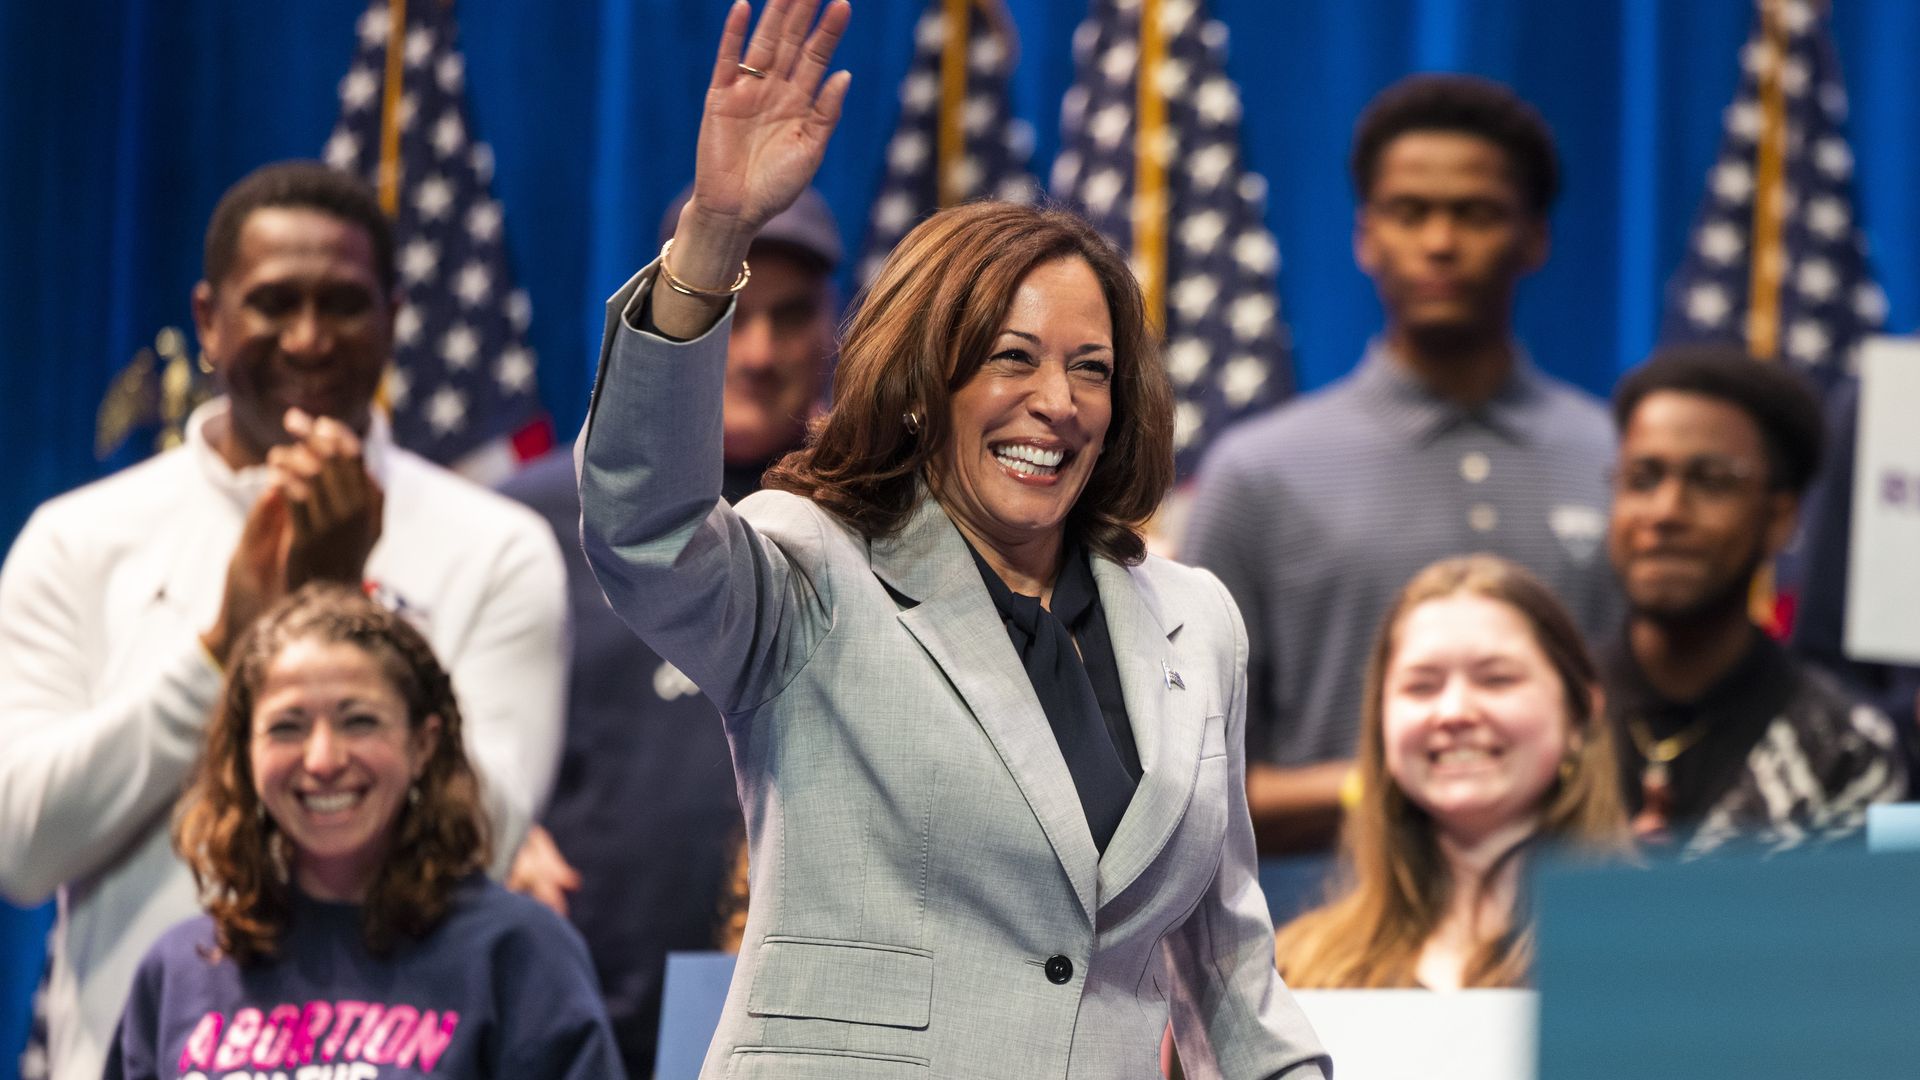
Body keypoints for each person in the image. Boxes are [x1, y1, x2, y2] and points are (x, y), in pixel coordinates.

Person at [575, 2, 1330, 1076]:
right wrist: (712, 236)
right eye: (1012, 358)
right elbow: (643, 530)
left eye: (1091, 369)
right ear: (923, 383)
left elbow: (1230, 971)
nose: (1056, 402)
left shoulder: (1195, 621)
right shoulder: (814, 567)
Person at [0, 162, 567, 1080]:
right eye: (273, 303)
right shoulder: (78, 542)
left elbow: (487, 843)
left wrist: (340, 611)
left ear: (394, 318)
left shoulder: (497, 547)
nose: (308, 338)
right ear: (209, 320)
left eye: (343, 304)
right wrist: (221, 650)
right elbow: (22, 849)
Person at [1182, 74, 1620, 854]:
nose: (1440, 242)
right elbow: (1192, 776)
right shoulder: (1259, 473)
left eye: (1476, 213)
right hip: (1324, 915)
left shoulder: (1617, 463)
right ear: (1365, 236)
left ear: (1535, 238)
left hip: (1579, 914)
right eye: (1410, 212)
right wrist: (1410, 777)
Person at [499, 186, 841, 1076]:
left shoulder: (872, 522)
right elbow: (434, 722)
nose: (758, 354)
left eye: (790, 318)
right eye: (734, 314)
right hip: (581, 1015)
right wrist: (486, 823)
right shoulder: (535, 523)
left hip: (817, 1018)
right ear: (679, 315)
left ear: (833, 328)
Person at [104, 584, 622, 1079]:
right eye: (287, 727)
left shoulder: (517, 951)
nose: (323, 759)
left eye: (359, 722)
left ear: (423, 744)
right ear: (246, 753)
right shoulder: (180, 969)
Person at [1272, 555, 1630, 989]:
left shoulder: (1654, 949)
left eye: (1497, 679)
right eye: (1421, 686)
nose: (1454, 711)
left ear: (1581, 712)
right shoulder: (1298, 971)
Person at [1601, 345, 1906, 854]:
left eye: (1711, 481)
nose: (1666, 511)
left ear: (1780, 518)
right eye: (1642, 479)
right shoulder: (1545, 718)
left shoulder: (1845, 749)